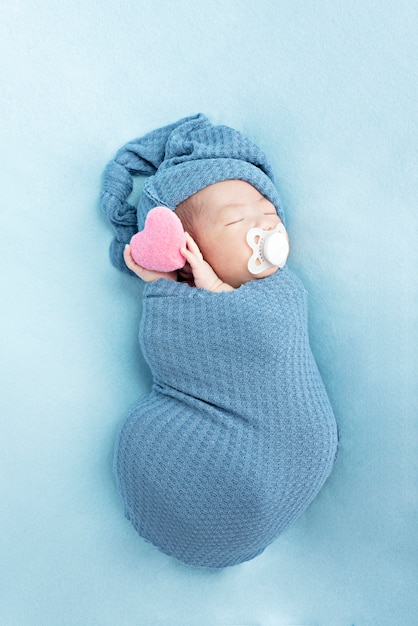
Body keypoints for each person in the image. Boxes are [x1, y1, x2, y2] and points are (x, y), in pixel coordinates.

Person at [101, 114, 338, 569]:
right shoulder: (182, 301)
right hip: (260, 465)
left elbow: (262, 334)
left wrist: (208, 289)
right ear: (191, 253)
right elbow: (182, 354)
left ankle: (239, 505)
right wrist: (163, 282)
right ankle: (206, 516)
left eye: (269, 214)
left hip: (289, 452)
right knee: (146, 446)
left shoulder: (283, 292)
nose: (263, 227)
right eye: (235, 221)